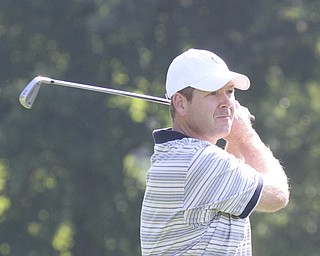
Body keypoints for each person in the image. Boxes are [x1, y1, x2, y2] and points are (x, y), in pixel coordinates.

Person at [140, 48, 289, 256]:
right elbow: (278, 195)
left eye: (229, 91)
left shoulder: (180, 156)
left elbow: (229, 188)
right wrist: (245, 135)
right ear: (181, 103)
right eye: (212, 93)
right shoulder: (197, 160)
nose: (227, 103)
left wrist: (235, 140)